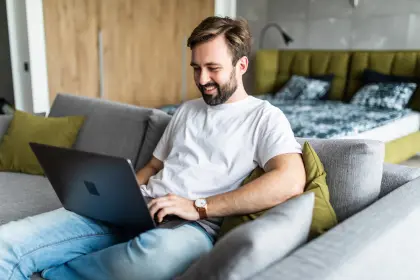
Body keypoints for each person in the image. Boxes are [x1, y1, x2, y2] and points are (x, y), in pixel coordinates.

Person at [0, 16, 306, 280]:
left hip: (194, 226)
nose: (202, 79)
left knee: (154, 257)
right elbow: (153, 167)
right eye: (196, 68)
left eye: (213, 68)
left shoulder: (264, 117)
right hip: (138, 208)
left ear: (241, 65)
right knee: (6, 242)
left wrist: (199, 207)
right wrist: (121, 195)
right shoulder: (186, 111)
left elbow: (290, 180)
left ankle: (53, 272)